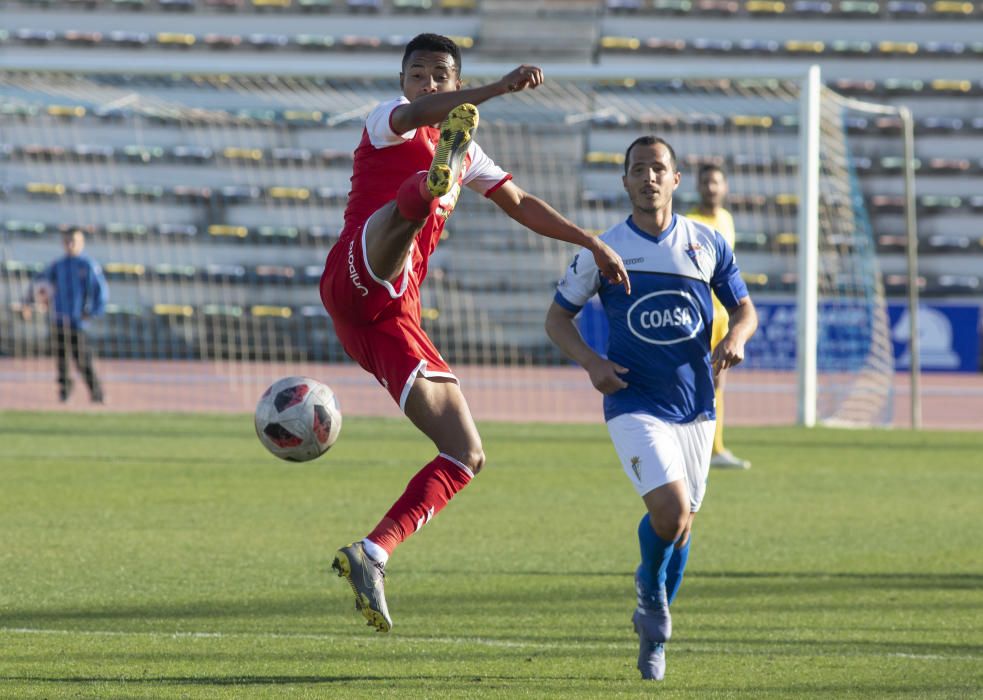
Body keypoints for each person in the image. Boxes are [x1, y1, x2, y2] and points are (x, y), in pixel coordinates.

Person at [318, 32, 629, 634]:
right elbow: (418, 115)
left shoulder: (469, 150)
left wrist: (590, 241)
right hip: (352, 274)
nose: (428, 84)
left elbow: (521, 202)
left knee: (466, 452)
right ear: (403, 81)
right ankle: (423, 190)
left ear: (455, 84)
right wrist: (499, 89)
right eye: (418, 73)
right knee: (403, 217)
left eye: (441, 76)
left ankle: (372, 553)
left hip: (388, 324)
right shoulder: (387, 122)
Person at [544, 136, 757, 680]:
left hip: (696, 407)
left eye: (658, 168)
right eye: (638, 169)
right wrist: (593, 364)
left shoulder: (706, 244)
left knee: (682, 527)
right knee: (671, 512)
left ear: (675, 179)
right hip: (633, 401)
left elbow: (746, 311)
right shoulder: (604, 249)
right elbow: (557, 319)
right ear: (625, 181)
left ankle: (651, 619)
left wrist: (736, 337)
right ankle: (654, 606)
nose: (649, 178)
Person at [686, 164, 752, 469]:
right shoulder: (688, 223)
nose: (711, 188)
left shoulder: (726, 219)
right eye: (706, 182)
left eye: (716, 182)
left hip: (722, 317)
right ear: (698, 187)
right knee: (689, 382)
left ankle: (714, 448)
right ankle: (693, 446)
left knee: (717, 383)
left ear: (724, 187)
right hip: (694, 316)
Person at [21, 229, 109, 403]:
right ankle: (65, 393)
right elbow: (39, 283)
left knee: (83, 359)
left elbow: (101, 291)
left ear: (81, 243)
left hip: (77, 322)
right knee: (61, 360)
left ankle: (97, 393)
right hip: (58, 319)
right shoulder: (58, 265)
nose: (70, 245)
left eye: (74, 241)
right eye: (67, 241)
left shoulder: (88, 265)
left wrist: (91, 312)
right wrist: (28, 302)